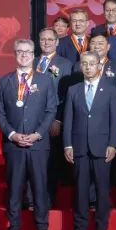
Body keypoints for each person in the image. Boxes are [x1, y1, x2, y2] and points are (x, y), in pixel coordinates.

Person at [0, 39, 58, 230]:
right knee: (14, 187)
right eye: (20, 51)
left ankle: (42, 228)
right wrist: (12, 135)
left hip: (38, 144)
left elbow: (51, 111)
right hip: (14, 145)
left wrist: (38, 134)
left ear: (33, 55)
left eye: (28, 52)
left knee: (40, 187)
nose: (24, 55)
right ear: (15, 54)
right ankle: (13, 228)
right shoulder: (4, 81)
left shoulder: (46, 80)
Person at [63, 52, 116, 230]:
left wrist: (113, 144)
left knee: (102, 190)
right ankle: (79, 229)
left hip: (102, 147)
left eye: (92, 64)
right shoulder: (73, 90)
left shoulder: (110, 90)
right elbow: (68, 120)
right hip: (79, 147)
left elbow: (115, 120)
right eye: (84, 64)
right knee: (80, 190)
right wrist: (67, 144)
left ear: (99, 66)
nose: (88, 67)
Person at [37, 28, 72, 210]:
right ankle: (31, 198)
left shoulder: (65, 64)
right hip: (32, 120)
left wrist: (58, 119)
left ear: (57, 42)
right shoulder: (32, 61)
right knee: (33, 161)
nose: (46, 43)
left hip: (52, 119)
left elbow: (67, 95)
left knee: (50, 162)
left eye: (50, 39)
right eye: (43, 39)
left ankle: (49, 199)